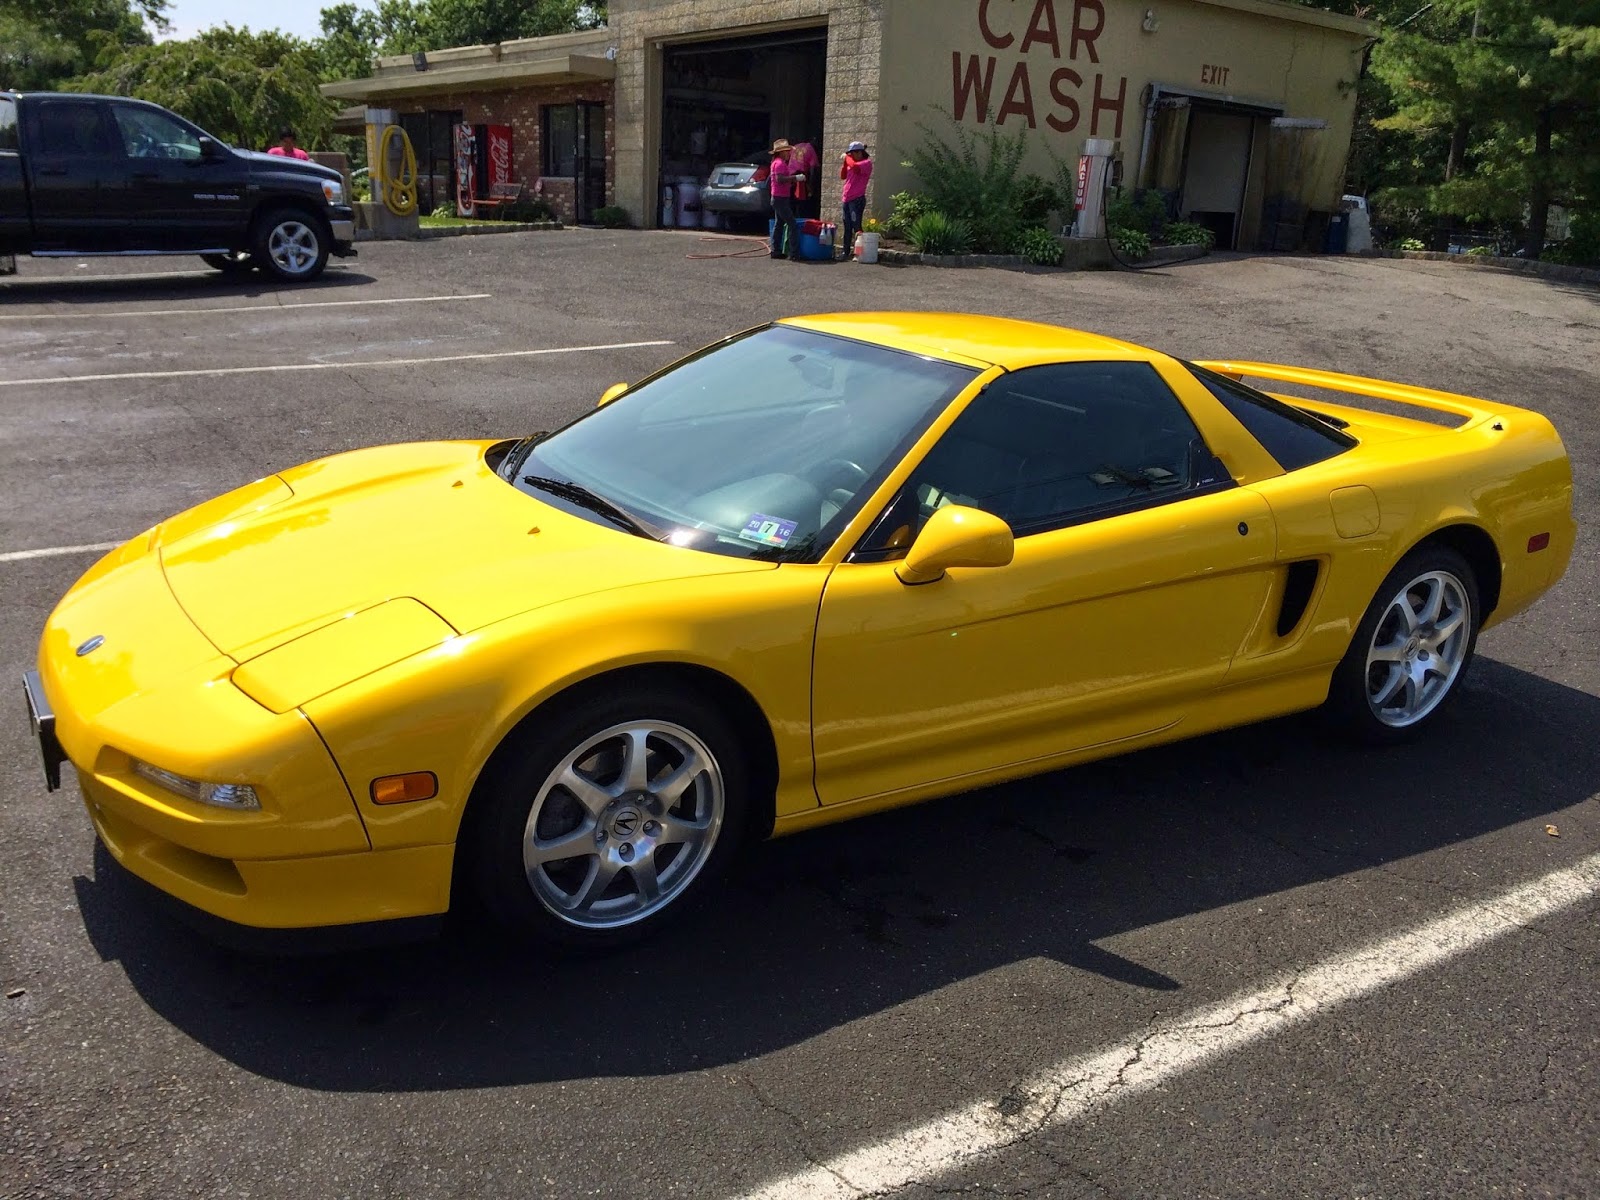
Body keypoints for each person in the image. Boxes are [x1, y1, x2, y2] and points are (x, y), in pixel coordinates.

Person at [767, 139, 804, 261]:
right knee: (792, 224)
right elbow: (780, 179)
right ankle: (794, 253)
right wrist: (796, 178)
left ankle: (775, 250)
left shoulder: (777, 162)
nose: (789, 153)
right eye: (787, 151)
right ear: (782, 152)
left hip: (779, 197)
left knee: (779, 224)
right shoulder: (779, 164)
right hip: (780, 198)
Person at [839, 140, 874, 260]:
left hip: (857, 199)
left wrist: (846, 157)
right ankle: (845, 252)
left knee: (856, 225)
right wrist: (845, 162)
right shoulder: (851, 163)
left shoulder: (866, 163)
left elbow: (855, 168)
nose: (851, 156)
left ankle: (858, 253)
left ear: (860, 153)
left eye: (853, 153)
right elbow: (843, 175)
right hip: (847, 199)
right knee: (847, 225)